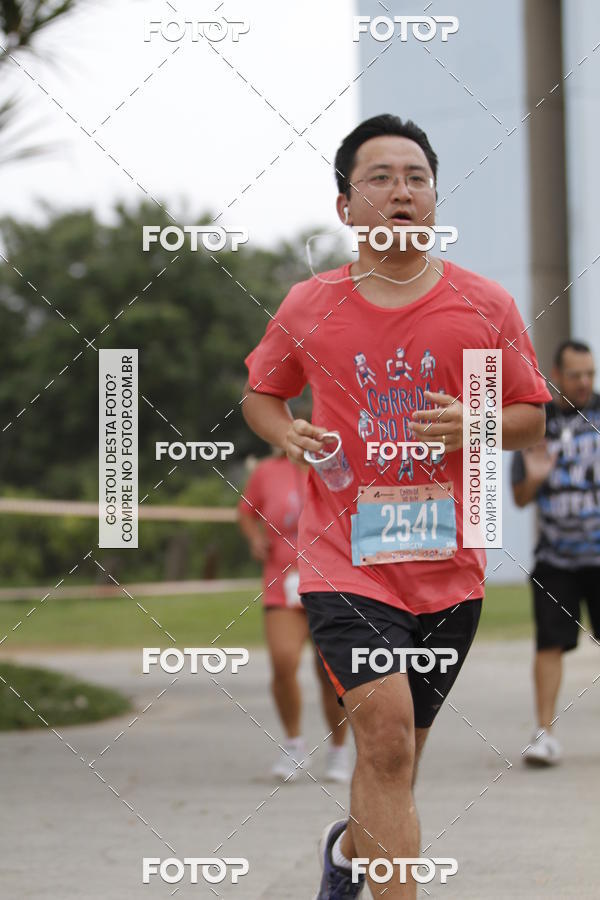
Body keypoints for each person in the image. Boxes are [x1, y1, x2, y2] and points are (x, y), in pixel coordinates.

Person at [242, 114, 551, 899]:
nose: (401, 191)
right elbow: (260, 394)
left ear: (435, 198)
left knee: (396, 758)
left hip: (450, 567)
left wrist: (478, 422)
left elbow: (530, 417)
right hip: (345, 560)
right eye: (379, 177)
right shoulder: (311, 305)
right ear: (345, 206)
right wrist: (287, 433)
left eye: (416, 177)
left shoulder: (485, 305)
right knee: (381, 744)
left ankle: (348, 856)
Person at [511, 340, 600, 766]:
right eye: (576, 375)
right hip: (556, 558)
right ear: (557, 375)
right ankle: (544, 734)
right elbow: (520, 497)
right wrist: (536, 476)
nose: (584, 382)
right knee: (549, 645)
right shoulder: (535, 422)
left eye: (590, 374)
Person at [238, 449, 350, 783]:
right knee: (283, 661)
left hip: (332, 582)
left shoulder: (338, 464)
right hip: (282, 582)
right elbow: (245, 512)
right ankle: (294, 746)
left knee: (330, 672)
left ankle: (339, 750)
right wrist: (255, 538)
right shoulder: (267, 470)